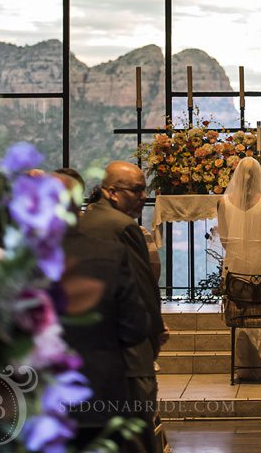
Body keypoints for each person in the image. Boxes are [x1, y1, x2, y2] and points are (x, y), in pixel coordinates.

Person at [78, 161, 168, 453]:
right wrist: (154, 336)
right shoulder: (124, 227)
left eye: (144, 189)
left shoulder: (84, 221)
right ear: (113, 192)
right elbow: (142, 287)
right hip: (129, 352)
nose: (143, 196)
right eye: (137, 190)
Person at [217, 156, 261, 380]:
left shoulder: (223, 201)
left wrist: (238, 249)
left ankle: (242, 365)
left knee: (239, 311)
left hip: (235, 262)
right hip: (259, 261)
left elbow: (224, 240)